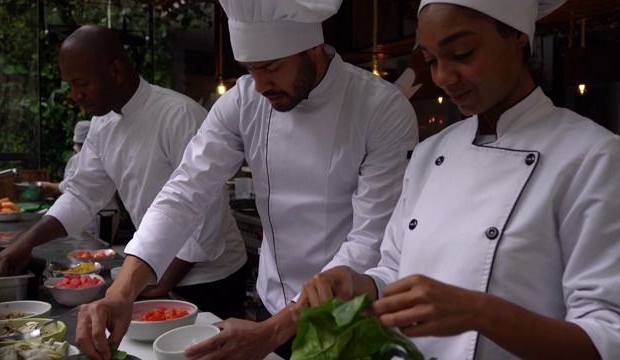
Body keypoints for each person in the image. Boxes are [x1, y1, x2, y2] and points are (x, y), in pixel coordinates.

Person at [74, 0, 418, 359]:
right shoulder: (244, 101)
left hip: (346, 319)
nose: (260, 85)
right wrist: (122, 291)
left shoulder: (381, 109)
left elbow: (370, 239)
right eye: (250, 69)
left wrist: (274, 330)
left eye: (271, 67)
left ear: (313, 47)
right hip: (271, 306)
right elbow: (184, 192)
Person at [299, 0, 620, 359]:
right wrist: (355, 284)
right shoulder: (430, 152)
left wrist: (480, 312)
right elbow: (395, 271)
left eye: (462, 53)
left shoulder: (593, 157)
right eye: (432, 60)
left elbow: (610, 340)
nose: (442, 77)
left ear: (518, 36)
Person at [0, 25, 249, 321]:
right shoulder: (102, 124)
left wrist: (162, 282)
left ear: (116, 71)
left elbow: (207, 211)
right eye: (70, 85)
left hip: (209, 278)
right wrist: (25, 242)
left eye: (81, 83)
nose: (75, 95)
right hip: (154, 272)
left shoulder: (178, 115)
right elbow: (82, 195)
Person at [42, 120, 120, 239]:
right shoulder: (105, 155)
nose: (76, 146)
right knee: (104, 248)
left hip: (96, 215)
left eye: (77, 143)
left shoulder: (78, 159)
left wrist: (47, 185)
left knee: (95, 247)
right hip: (111, 212)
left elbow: (71, 188)